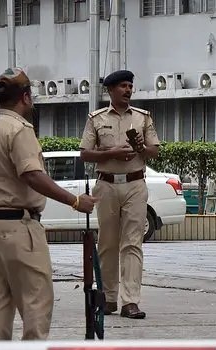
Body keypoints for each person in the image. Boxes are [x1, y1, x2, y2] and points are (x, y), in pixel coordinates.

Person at [0, 68, 97, 350]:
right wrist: (74, 200)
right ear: (26, 97)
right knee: (36, 296)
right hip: (19, 224)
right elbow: (31, 174)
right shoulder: (20, 129)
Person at [80, 70, 160, 319]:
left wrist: (141, 148)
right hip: (107, 185)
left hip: (135, 184)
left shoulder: (142, 117)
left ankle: (130, 301)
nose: (128, 90)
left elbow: (154, 151)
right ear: (110, 90)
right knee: (107, 243)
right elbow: (85, 153)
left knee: (133, 242)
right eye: (123, 86)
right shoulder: (96, 118)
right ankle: (108, 298)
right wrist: (111, 153)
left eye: (130, 86)